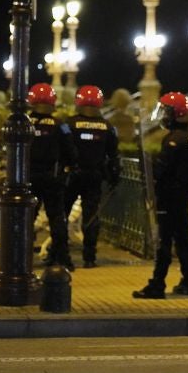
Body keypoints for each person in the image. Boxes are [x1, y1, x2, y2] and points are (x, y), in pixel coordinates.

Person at [133, 92, 188, 299]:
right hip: (182, 194)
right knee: (183, 238)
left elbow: (161, 169)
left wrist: (146, 160)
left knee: (164, 241)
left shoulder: (174, 139)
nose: (163, 116)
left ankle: (157, 284)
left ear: (175, 114)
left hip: (169, 196)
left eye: (165, 112)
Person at [65, 85, 120, 268]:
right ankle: (89, 257)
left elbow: (61, 151)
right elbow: (114, 156)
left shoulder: (69, 125)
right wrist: (114, 178)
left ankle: (60, 254)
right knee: (91, 216)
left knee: (63, 214)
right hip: (94, 176)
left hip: (71, 175)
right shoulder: (108, 127)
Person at [28, 83, 77, 271]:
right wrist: (68, 167)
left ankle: (21, 257)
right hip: (52, 177)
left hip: (28, 178)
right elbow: (71, 152)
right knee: (56, 217)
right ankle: (62, 258)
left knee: (26, 218)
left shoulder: (24, 123)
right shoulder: (60, 125)